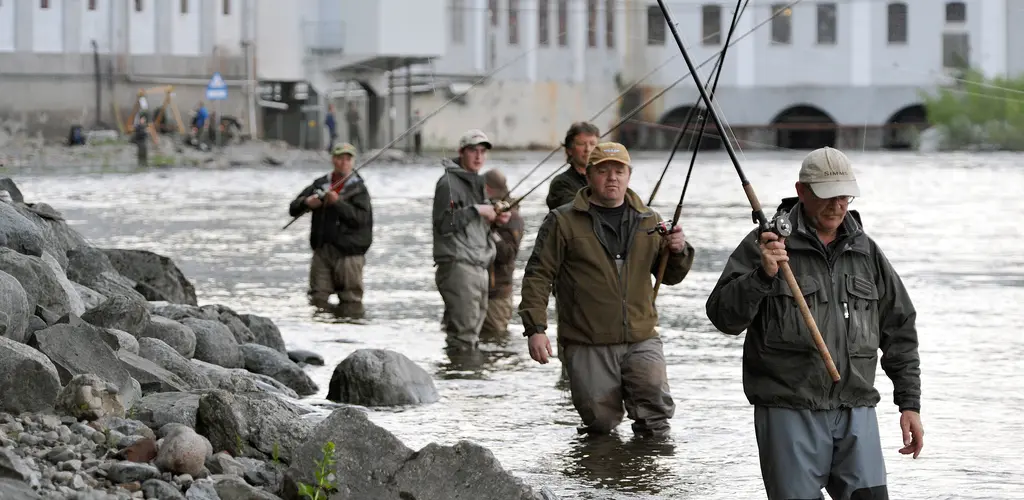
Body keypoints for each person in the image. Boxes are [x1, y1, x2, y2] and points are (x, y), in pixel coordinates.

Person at [705, 147, 924, 500]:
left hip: (856, 407)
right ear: (802, 191)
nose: (838, 205)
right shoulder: (765, 244)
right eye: (827, 195)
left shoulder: (866, 250)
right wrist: (763, 275)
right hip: (787, 408)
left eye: (844, 195)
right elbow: (723, 317)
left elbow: (899, 329)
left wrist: (909, 404)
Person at [518, 141, 695, 438]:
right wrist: (535, 328)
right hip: (587, 339)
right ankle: (601, 477)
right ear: (589, 176)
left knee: (656, 419)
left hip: (641, 337)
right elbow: (538, 275)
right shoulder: (561, 221)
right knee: (600, 423)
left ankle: (649, 480)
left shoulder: (649, 220)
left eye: (619, 171)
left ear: (629, 175)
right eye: (603, 171)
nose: (612, 177)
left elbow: (672, 277)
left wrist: (678, 250)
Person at [431, 129, 512, 351]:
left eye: (483, 151)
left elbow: (471, 222)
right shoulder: (448, 184)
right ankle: (463, 379)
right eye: (473, 151)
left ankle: (465, 378)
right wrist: (477, 210)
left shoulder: (475, 182)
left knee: (472, 333)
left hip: (477, 265)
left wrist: (494, 218)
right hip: (459, 266)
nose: (478, 156)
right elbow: (445, 224)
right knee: (464, 336)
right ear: (461, 152)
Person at [288, 143, 373, 318]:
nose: (343, 163)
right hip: (322, 251)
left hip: (350, 254)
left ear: (352, 162)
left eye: (347, 159)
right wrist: (307, 203)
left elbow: (361, 220)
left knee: (351, 301)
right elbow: (293, 208)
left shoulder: (359, 189)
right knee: (317, 299)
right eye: (340, 158)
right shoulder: (320, 184)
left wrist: (338, 203)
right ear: (333, 160)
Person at [479, 169, 525, 341]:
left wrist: (490, 230)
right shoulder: (485, 211)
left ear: (487, 188)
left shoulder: (513, 218)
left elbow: (507, 254)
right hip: (478, 290)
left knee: (495, 341)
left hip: (497, 295)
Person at [546, 122, 600, 210]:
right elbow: (573, 210)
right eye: (582, 144)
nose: (588, 149)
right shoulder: (560, 183)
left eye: (592, 144)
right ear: (569, 150)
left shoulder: (605, 180)